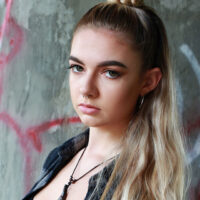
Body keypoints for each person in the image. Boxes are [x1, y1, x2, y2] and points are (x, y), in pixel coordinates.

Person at [23, 0, 188, 199]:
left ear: (148, 82)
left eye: (110, 72)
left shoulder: (138, 188)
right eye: (78, 68)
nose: (86, 89)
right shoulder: (59, 157)